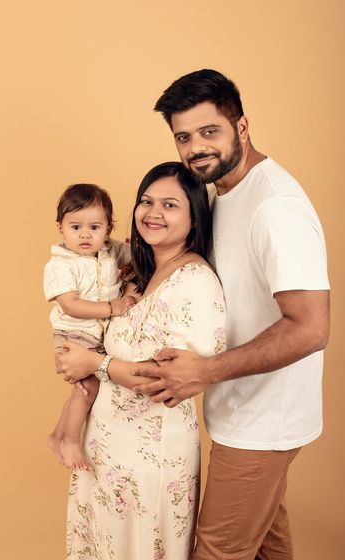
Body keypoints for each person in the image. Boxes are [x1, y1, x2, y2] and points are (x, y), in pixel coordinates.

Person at [132, 69, 331, 559]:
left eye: (209, 131)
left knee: (219, 549)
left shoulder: (275, 207)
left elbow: (311, 327)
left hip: (265, 419)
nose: (196, 147)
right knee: (267, 545)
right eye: (184, 137)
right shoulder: (223, 194)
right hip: (240, 410)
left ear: (241, 127)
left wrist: (205, 372)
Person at [55, 162, 226, 560]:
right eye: (146, 201)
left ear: (194, 216)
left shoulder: (195, 283)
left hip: (152, 461)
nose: (153, 213)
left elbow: (171, 380)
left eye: (169, 205)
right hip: (104, 452)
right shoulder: (133, 272)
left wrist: (92, 364)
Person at [44, 183, 135, 470]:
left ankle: (57, 434)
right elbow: (70, 304)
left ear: (108, 230)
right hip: (73, 333)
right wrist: (111, 308)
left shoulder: (109, 251)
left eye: (95, 227)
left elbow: (135, 255)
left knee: (82, 390)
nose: (85, 234)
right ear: (60, 227)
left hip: (96, 335)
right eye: (75, 227)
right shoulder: (60, 265)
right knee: (88, 388)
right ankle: (70, 440)